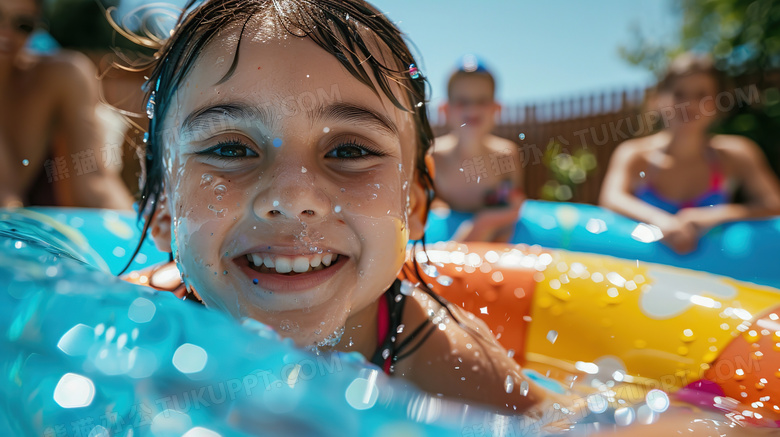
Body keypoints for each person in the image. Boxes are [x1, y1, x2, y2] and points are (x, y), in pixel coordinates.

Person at [121, 2, 774, 434]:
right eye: (230, 148)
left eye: (349, 150)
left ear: (415, 205)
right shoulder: (130, 324)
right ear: (160, 209)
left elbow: (569, 421)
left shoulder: (428, 346)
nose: (294, 197)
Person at [599, 53, 780, 253]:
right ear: (658, 100)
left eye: (701, 95)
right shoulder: (634, 155)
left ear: (717, 104)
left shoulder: (735, 155)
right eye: (679, 94)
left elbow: (773, 205)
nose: (690, 104)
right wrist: (659, 221)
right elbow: (611, 198)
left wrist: (716, 215)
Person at [0, 0, 134, 209]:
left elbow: (94, 186)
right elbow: (6, 200)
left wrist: (144, 238)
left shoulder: (61, 77)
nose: (6, 32)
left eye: (23, 25)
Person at [431, 55, 525, 242]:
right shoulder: (434, 156)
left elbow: (514, 203)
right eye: (462, 101)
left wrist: (484, 224)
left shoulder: (506, 154)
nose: (472, 109)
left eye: (481, 101)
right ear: (445, 110)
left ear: (496, 109)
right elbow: (425, 203)